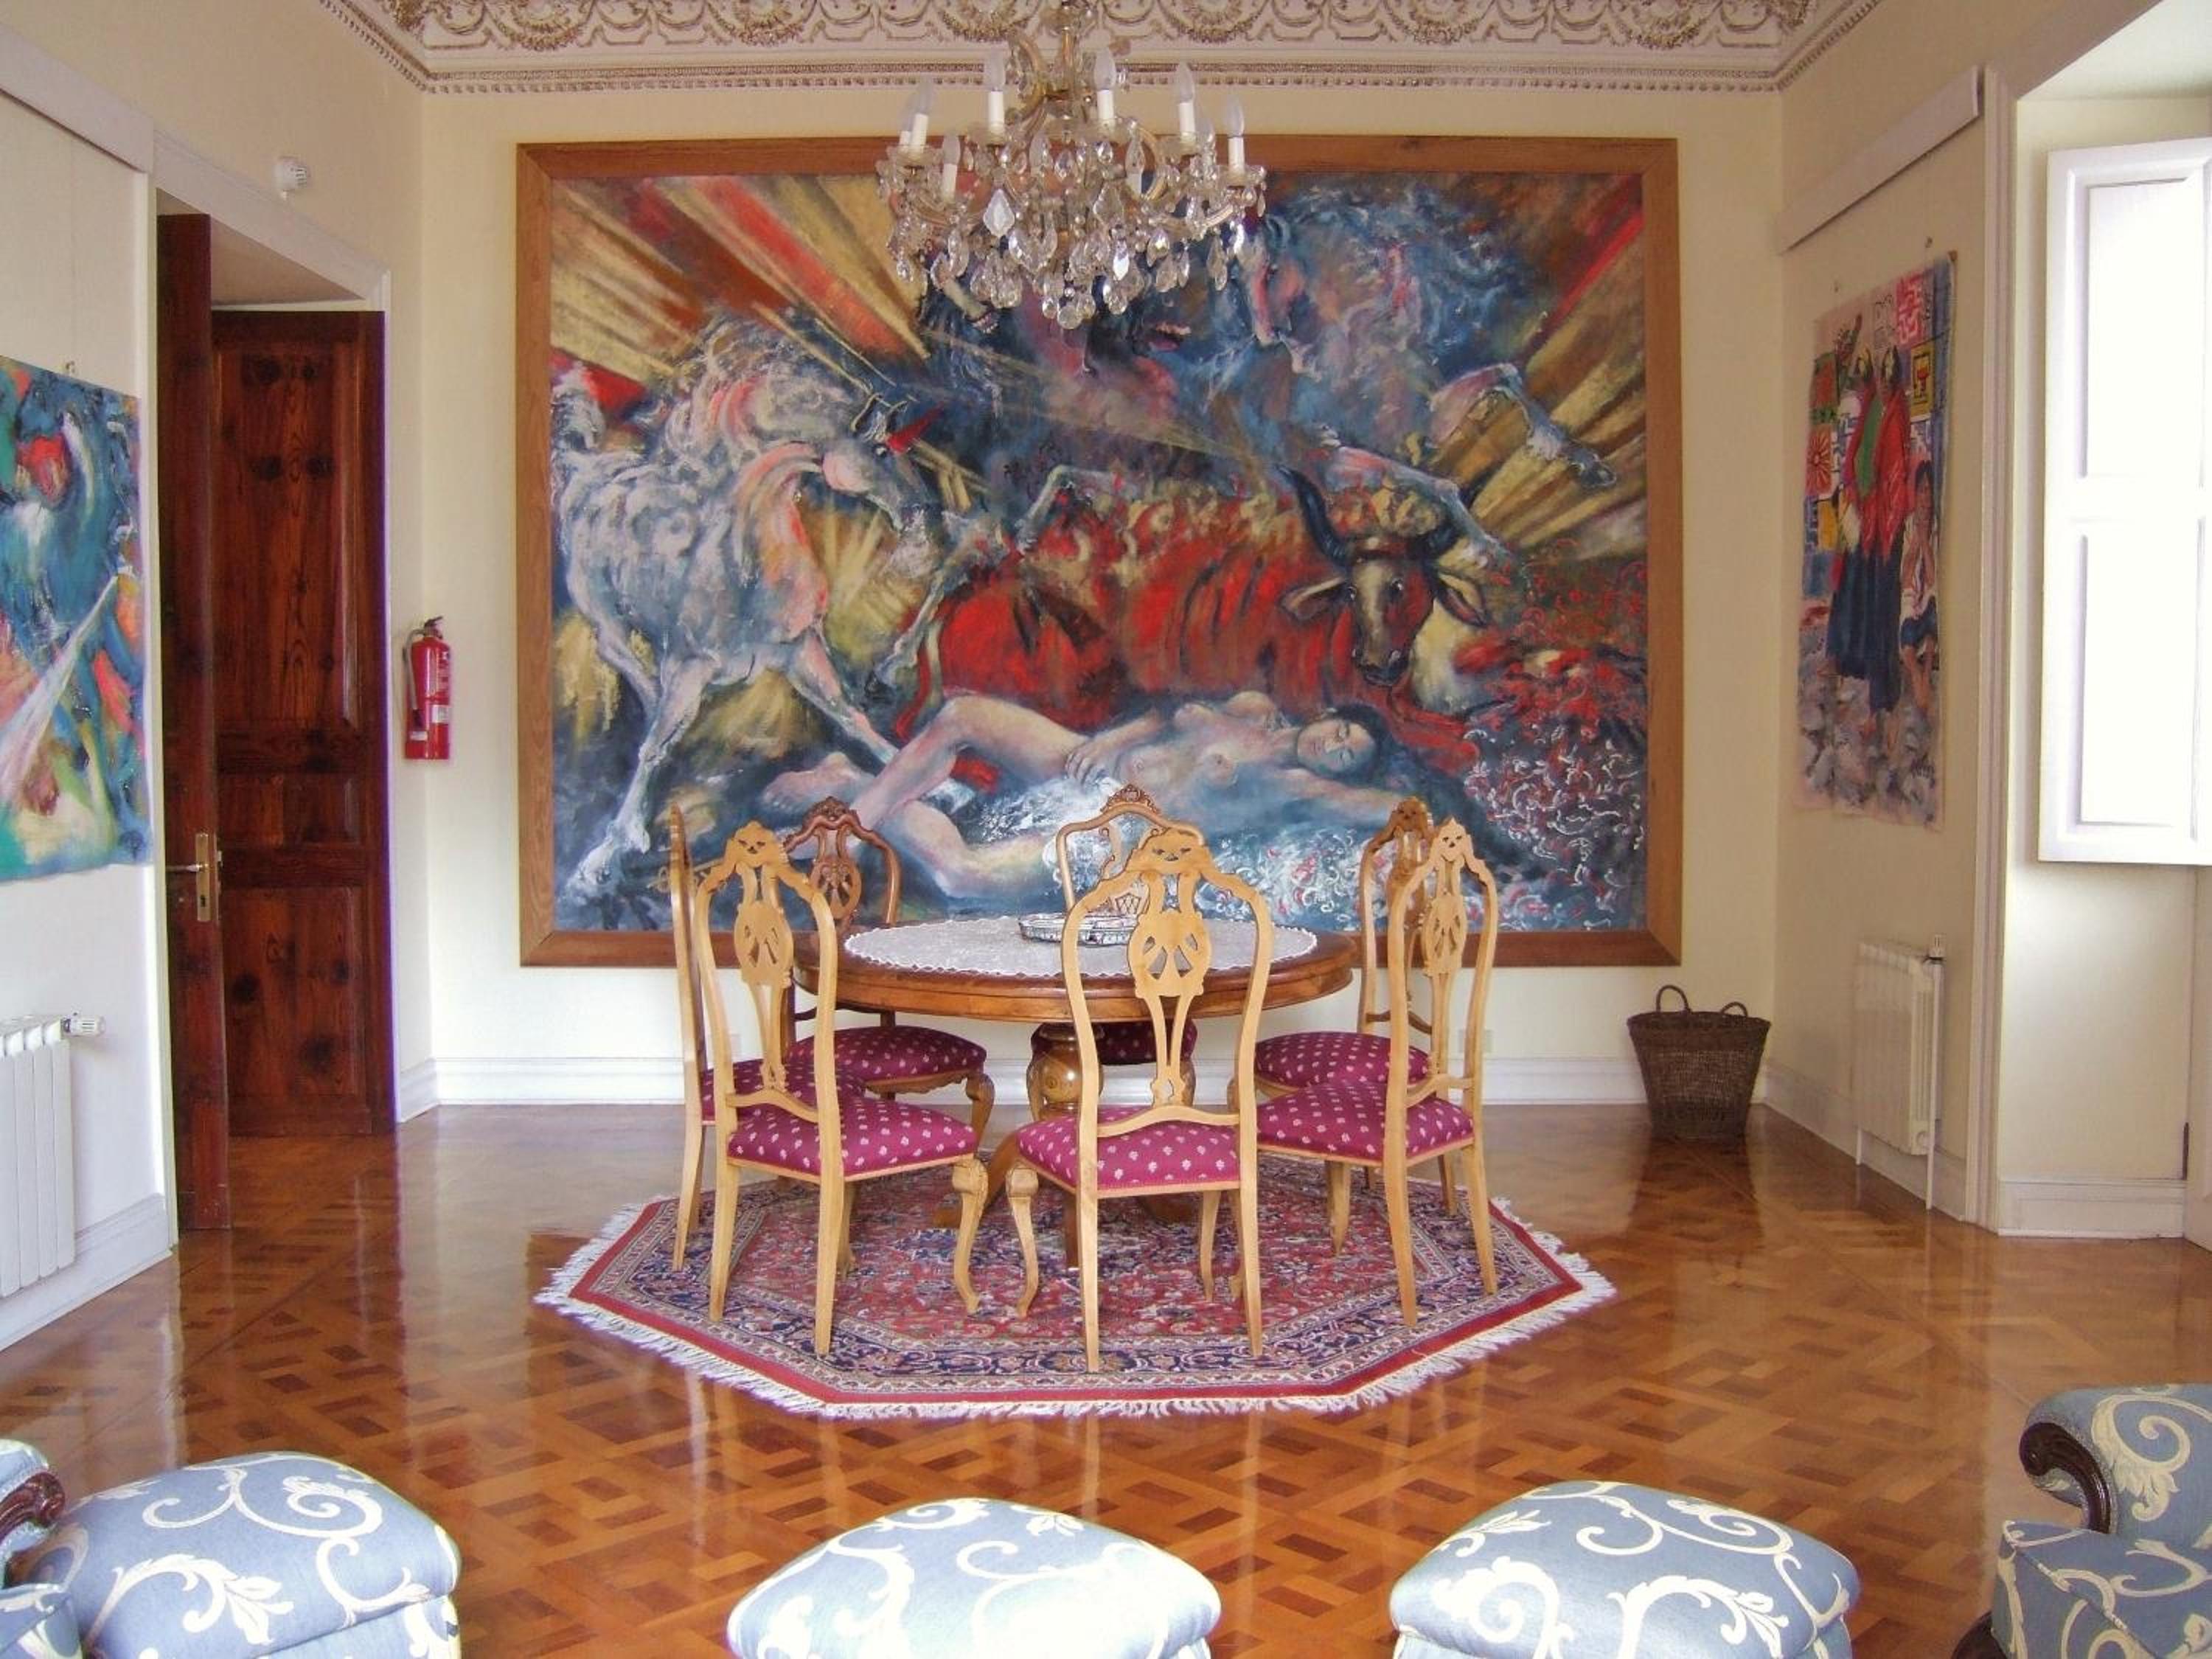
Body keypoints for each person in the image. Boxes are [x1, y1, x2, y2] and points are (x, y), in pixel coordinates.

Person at [762, 691, 1402, 904]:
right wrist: (1113, 737)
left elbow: (1379, 809)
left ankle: (849, 785)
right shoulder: (1252, 708)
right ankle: (851, 827)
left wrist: (1423, 821)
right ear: (1328, 715)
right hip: (1093, 760)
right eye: (1343, 732)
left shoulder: (1298, 787)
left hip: (1112, 824)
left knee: (961, 875)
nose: (1336, 746)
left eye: (1348, 756)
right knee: (963, 714)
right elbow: (1166, 711)